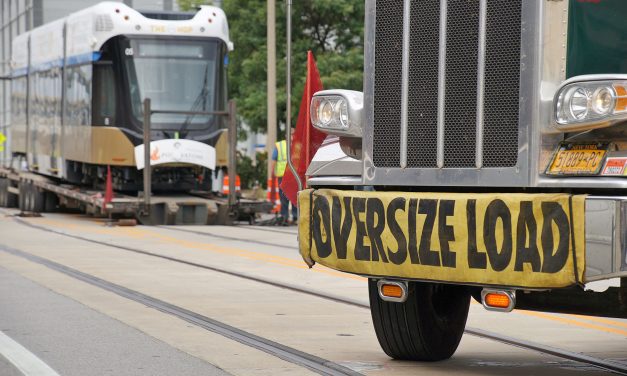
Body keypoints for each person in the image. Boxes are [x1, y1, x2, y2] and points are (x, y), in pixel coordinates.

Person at [270, 133, 297, 225]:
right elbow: (274, 160)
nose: (292, 136)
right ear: (286, 135)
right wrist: (272, 172)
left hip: (294, 175)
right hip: (284, 175)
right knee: (284, 197)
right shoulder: (280, 145)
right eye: (291, 134)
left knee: (294, 196)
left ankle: (293, 216)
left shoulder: (297, 145)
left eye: (293, 134)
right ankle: (286, 217)